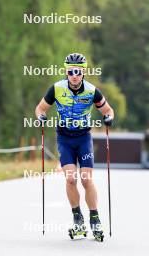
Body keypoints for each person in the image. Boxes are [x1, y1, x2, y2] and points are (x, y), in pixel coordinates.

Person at [35, 53, 114, 239]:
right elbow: (40, 108)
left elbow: (108, 110)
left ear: (84, 72)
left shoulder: (92, 91)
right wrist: (40, 116)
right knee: (71, 179)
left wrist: (109, 117)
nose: (74, 75)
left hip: (83, 138)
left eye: (78, 71)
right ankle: (77, 218)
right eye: (71, 71)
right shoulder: (56, 89)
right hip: (64, 139)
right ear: (66, 72)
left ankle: (95, 219)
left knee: (86, 179)